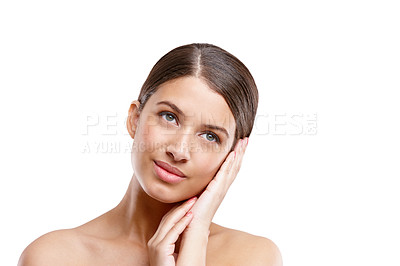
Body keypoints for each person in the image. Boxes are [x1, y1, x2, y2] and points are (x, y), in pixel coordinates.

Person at [18, 43, 282, 265]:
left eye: (210, 136)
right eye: (169, 117)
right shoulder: (53, 257)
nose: (179, 150)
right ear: (135, 118)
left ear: (233, 156)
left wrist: (196, 238)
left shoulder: (253, 257)